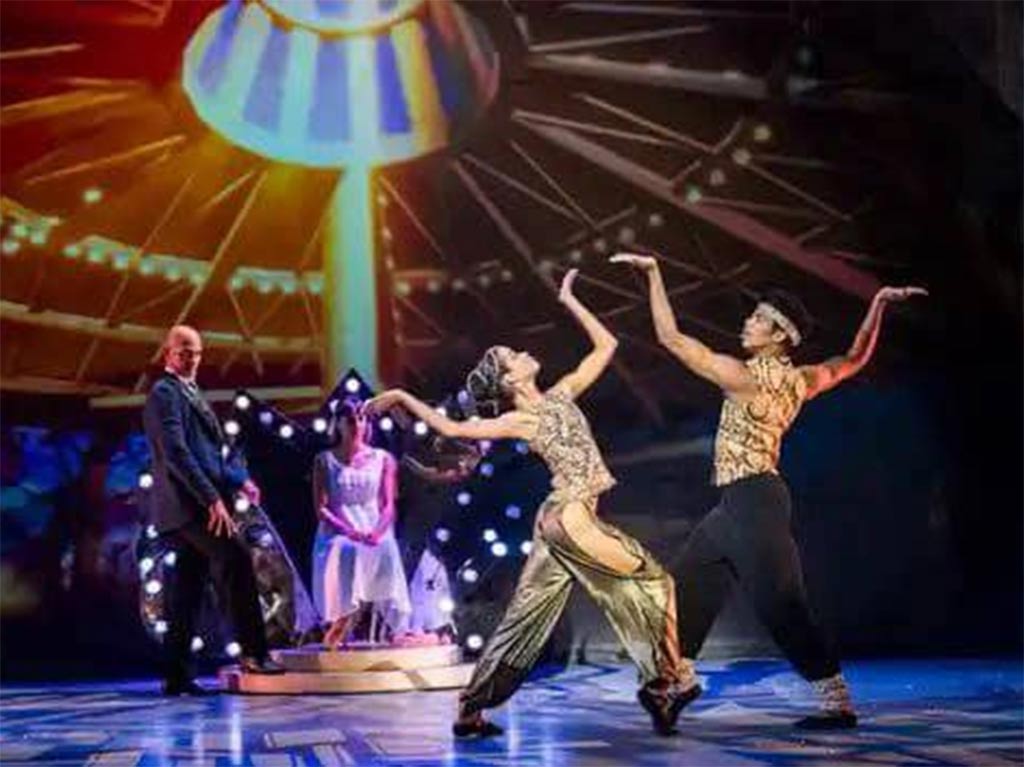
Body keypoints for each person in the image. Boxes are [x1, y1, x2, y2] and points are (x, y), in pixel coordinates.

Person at [367, 269, 700, 738]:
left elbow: (606, 346)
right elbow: (456, 429)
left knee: (523, 618)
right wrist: (403, 395)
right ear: (510, 379)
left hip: (557, 522)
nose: (523, 353)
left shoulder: (562, 394)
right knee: (656, 582)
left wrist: (570, 300)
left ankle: (469, 710)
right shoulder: (519, 420)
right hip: (571, 515)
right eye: (513, 356)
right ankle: (671, 681)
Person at [612, 252, 926, 729]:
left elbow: (672, 338)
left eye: (759, 319)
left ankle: (837, 702)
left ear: (780, 336)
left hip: (754, 503)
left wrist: (654, 273)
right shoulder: (802, 380)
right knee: (686, 586)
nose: (748, 322)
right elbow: (853, 358)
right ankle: (681, 680)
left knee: (782, 606)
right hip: (737, 504)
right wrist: (878, 302)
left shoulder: (743, 379)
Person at [142, 325, 284, 695]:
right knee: (237, 559)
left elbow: (211, 456)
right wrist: (211, 499)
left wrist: (239, 480)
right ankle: (254, 653)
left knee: (186, 589)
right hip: (190, 506)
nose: (191, 358)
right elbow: (176, 453)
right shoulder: (165, 393)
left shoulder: (190, 392)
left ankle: (176, 676)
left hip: (197, 504)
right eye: (184, 351)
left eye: (196, 352)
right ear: (168, 353)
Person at [311, 400, 411, 647]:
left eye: (361, 419)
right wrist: (349, 531)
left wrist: (377, 532)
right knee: (347, 550)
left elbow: (388, 505)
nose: (356, 424)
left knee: (386, 548)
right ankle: (343, 617)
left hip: (373, 525)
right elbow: (322, 508)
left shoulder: (383, 458)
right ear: (338, 424)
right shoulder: (325, 460)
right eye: (350, 420)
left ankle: (394, 627)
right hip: (338, 528)